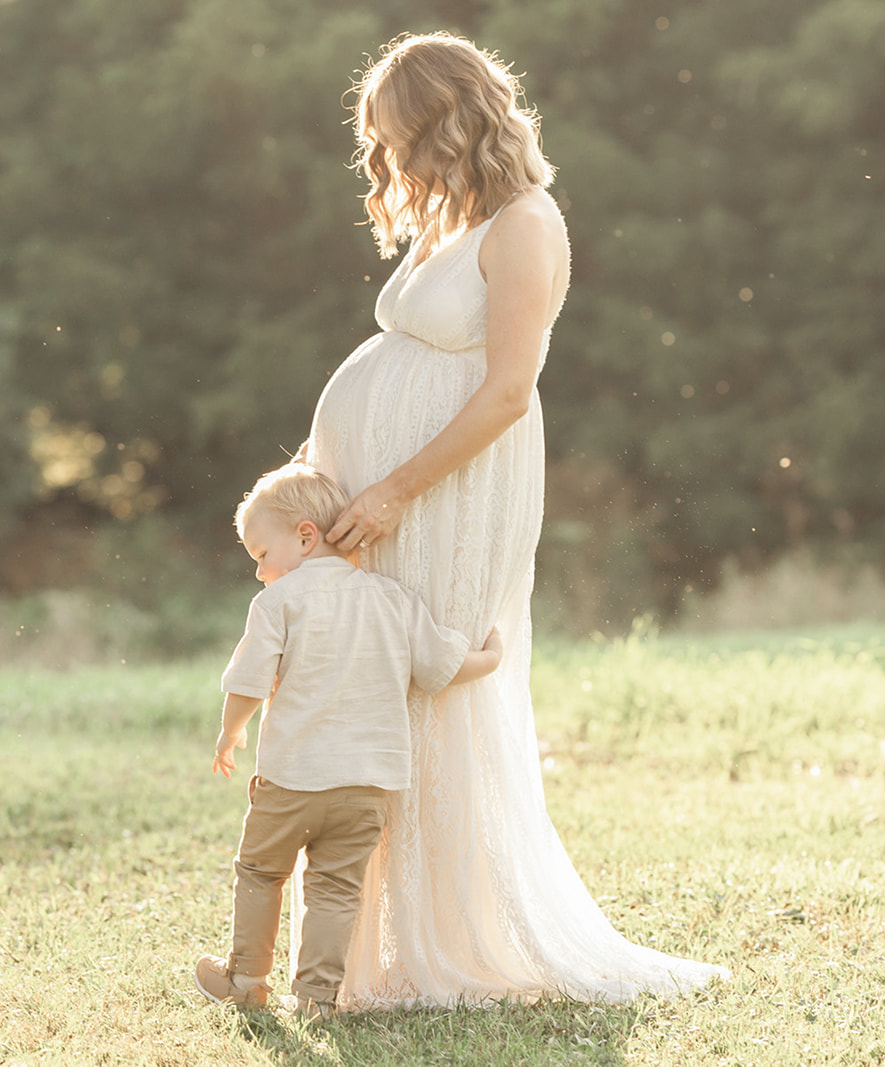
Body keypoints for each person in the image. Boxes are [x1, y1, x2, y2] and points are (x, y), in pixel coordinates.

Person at [292, 31, 729, 1008]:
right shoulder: (447, 215)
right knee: (373, 681)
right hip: (388, 488)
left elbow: (503, 392)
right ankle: (374, 945)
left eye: (395, 134)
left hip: (454, 489)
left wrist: (394, 485)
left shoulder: (525, 223)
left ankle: (452, 940)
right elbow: (399, 363)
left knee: (432, 678)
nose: (385, 156)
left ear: (448, 117)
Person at [193, 462, 503, 1020]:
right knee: (335, 890)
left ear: (305, 537)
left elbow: (247, 682)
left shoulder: (277, 603)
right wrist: (492, 657)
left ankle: (246, 979)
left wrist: (229, 734)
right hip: (367, 786)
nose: (261, 574)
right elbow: (442, 665)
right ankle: (316, 1000)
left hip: (291, 779)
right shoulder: (392, 599)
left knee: (261, 872)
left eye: (262, 556)